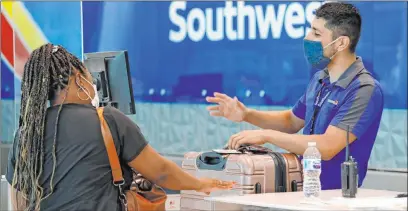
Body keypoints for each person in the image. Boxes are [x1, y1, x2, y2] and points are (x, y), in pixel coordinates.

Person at [6, 44, 235, 211]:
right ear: (77, 78)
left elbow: (18, 202)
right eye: (88, 75)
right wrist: (201, 183)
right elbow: (161, 172)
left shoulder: (26, 134)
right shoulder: (107, 119)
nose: (92, 82)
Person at [206, 2, 384, 190]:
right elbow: (291, 121)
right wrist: (246, 114)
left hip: (337, 199)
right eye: (310, 30)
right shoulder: (320, 79)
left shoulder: (364, 89)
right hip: (304, 191)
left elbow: (328, 146)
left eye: (316, 33)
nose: (308, 38)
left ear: (341, 43)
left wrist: (266, 135)